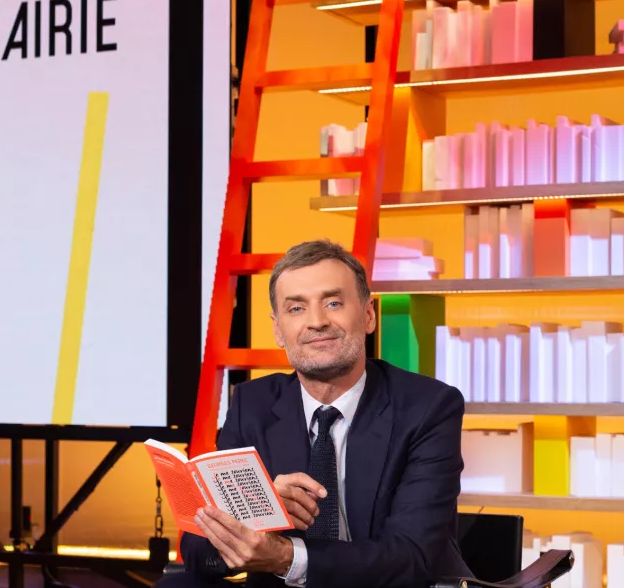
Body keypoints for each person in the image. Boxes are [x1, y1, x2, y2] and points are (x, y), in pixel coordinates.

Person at [158, 239, 470, 588]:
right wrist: (258, 514)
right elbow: (197, 548)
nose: (317, 322)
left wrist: (285, 557)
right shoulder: (252, 403)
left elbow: (412, 557)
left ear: (368, 315)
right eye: (296, 309)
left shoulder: (428, 407)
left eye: (333, 303)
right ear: (278, 330)